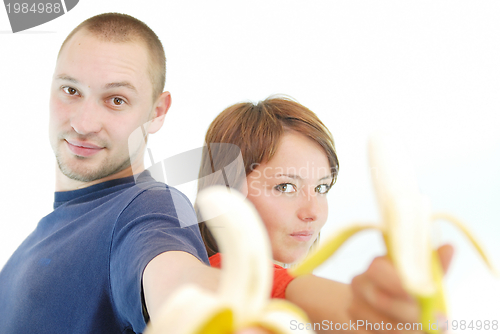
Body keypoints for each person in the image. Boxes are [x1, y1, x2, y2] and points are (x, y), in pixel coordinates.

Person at [0, 13, 269, 334]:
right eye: (71, 90)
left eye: (116, 99)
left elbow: (176, 279)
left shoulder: (150, 206)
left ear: (157, 112)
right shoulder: (37, 240)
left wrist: (213, 315)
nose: (83, 124)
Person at [198, 96, 454, 333]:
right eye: (285, 187)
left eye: (321, 188)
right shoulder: (218, 275)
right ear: (226, 190)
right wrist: (378, 312)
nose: (313, 212)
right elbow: (334, 306)